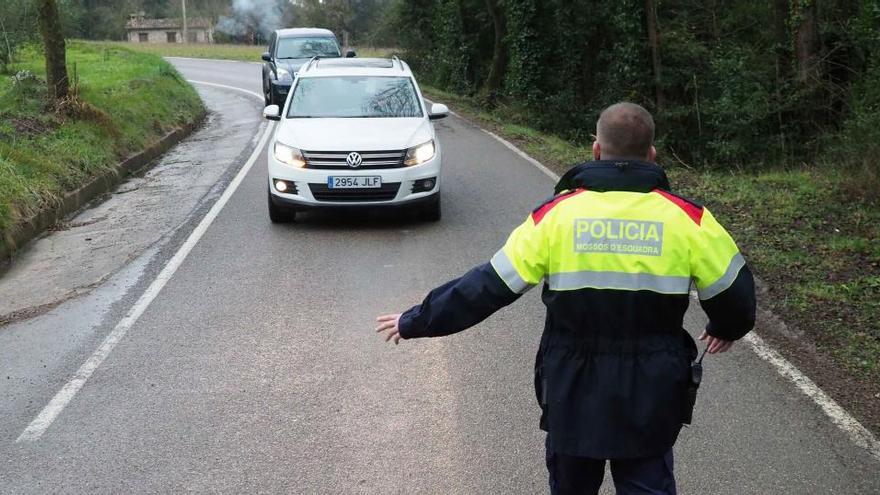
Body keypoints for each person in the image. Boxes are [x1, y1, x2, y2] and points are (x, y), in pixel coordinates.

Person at [375, 102, 756, 494]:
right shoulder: (689, 219)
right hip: (652, 391)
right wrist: (725, 326)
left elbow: (486, 288)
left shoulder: (555, 217)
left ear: (595, 149)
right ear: (652, 154)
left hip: (572, 388)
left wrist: (417, 319)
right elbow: (736, 294)